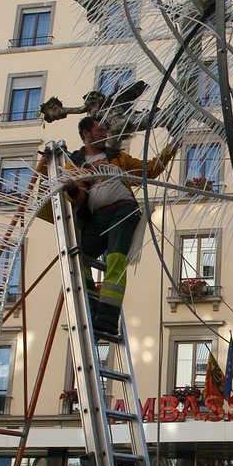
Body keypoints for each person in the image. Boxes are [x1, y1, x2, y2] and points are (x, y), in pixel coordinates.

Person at [65, 117, 180, 337]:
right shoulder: (75, 163)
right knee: (78, 257)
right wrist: (71, 190)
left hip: (122, 211)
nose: (105, 134)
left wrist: (173, 146)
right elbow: (79, 198)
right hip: (96, 218)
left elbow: (150, 170)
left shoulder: (117, 157)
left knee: (116, 259)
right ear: (85, 133)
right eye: (100, 130)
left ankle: (108, 319)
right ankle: (92, 307)